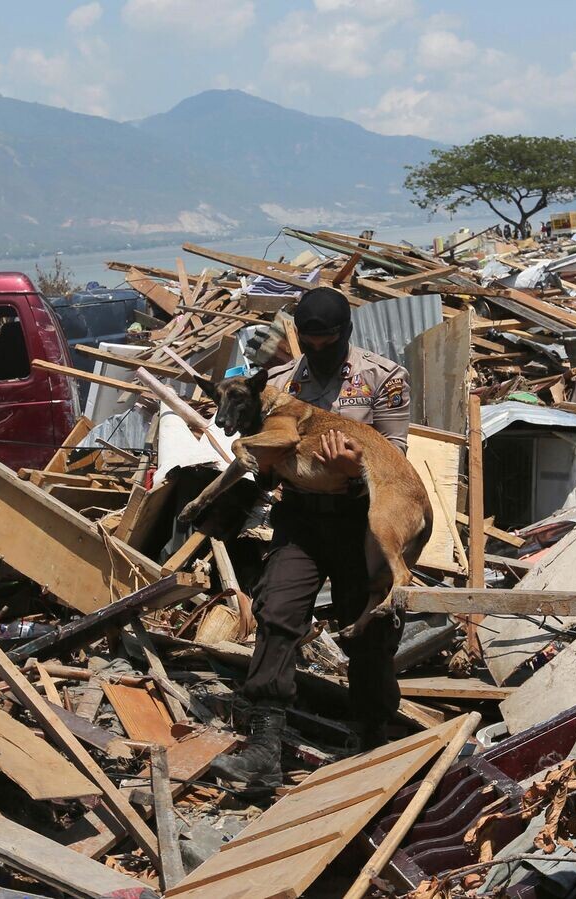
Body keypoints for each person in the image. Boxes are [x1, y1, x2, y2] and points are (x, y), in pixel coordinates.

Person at [208, 286, 411, 793]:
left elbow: (396, 456)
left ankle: (369, 737)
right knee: (277, 611)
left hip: (357, 517)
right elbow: (263, 456)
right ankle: (263, 748)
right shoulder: (276, 384)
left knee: (366, 624)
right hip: (299, 516)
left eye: (329, 338)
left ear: (345, 333)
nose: (319, 348)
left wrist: (349, 468)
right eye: (310, 338)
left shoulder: (383, 379)